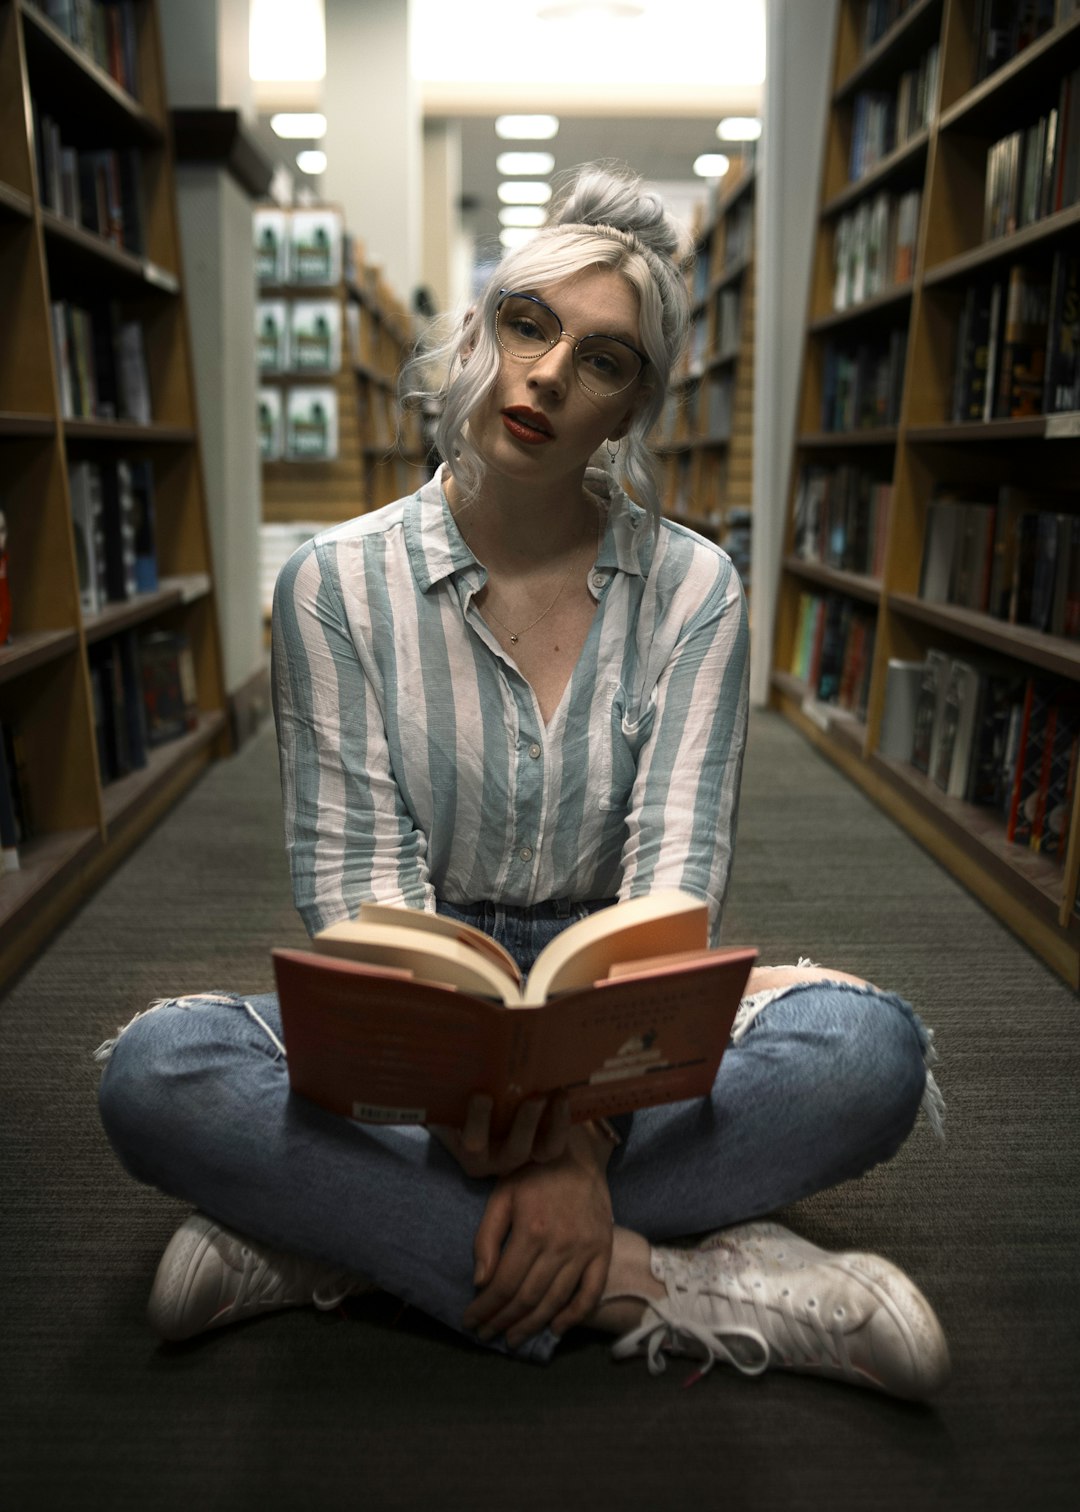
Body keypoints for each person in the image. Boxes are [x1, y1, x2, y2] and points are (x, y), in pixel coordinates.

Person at [97, 164, 949, 1400]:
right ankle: (658, 1285)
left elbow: (671, 888)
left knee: (866, 1053)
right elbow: (357, 895)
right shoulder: (336, 585)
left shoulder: (695, 589)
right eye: (528, 323)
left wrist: (583, 1130)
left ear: (632, 407)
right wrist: (476, 1113)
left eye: (602, 360)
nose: (548, 374)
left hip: (617, 1010)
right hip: (415, 1002)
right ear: (478, 337)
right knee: (155, 1076)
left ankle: (340, 1236)